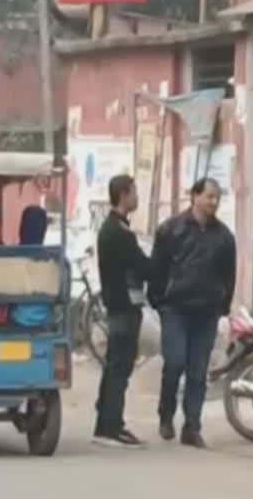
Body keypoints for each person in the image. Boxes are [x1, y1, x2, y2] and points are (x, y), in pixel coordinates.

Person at [149, 177, 236, 448]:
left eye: (217, 197)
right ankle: (166, 414)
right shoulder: (171, 230)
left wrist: (223, 304)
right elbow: (157, 268)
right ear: (195, 197)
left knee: (198, 371)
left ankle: (192, 426)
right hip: (175, 308)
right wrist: (159, 300)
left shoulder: (224, 236)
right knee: (174, 362)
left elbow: (229, 275)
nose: (214, 202)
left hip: (207, 311)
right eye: (209, 196)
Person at [92, 175, 151, 448]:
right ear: (124, 195)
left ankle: (107, 422)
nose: (137, 197)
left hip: (120, 306)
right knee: (120, 366)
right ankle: (110, 426)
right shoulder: (117, 232)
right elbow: (141, 265)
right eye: (134, 192)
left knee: (115, 364)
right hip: (122, 307)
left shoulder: (114, 228)